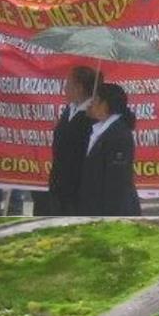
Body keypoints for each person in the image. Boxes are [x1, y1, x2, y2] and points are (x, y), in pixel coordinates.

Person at [37, 65, 99, 215]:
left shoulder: (92, 116)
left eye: (68, 84)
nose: (64, 89)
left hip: (77, 187)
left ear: (79, 87)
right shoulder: (70, 109)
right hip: (59, 182)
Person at [77, 83, 142, 215]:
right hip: (95, 205)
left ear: (104, 104)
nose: (90, 104)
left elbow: (116, 181)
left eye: (94, 100)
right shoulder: (100, 127)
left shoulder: (118, 134)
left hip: (112, 209)